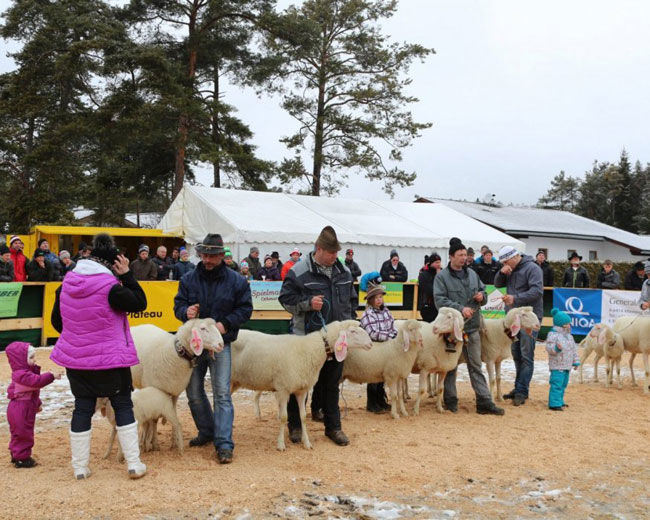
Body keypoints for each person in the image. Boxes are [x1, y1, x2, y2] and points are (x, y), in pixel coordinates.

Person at [50, 233, 148, 480]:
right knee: (123, 404)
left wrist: (80, 337)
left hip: (78, 361)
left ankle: (80, 468)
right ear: (112, 263)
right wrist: (127, 275)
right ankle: (134, 464)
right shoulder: (111, 288)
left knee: (82, 408)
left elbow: (56, 322)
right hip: (110, 360)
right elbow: (139, 303)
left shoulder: (65, 285)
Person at [173, 233, 252, 464]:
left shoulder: (236, 281)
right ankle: (207, 431)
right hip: (194, 345)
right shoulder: (188, 279)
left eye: (212, 256)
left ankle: (224, 443)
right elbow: (178, 305)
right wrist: (184, 312)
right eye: (204, 255)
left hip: (220, 344)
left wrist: (224, 324)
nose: (207, 260)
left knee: (222, 394)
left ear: (221, 256)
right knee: (194, 393)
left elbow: (245, 309)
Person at [279, 225, 358, 446]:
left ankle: (333, 427)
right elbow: (285, 299)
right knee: (298, 384)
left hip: (335, 340)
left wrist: (348, 324)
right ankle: (295, 425)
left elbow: (352, 300)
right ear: (319, 249)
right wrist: (307, 304)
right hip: (306, 340)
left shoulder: (344, 272)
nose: (335, 256)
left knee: (331, 383)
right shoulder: (299, 271)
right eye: (332, 252)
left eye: (337, 252)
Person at [433, 237, 504, 415]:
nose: (464, 257)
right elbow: (440, 300)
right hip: (451, 331)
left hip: (472, 327)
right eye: (460, 255)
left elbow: (483, 291)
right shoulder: (441, 277)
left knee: (475, 366)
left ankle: (484, 401)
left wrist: (482, 296)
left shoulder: (473, 274)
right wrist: (460, 309)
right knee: (450, 366)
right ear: (451, 256)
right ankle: (450, 400)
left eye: (465, 254)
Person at [494, 245, 544, 406]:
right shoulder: (510, 269)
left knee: (526, 355)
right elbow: (497, 284)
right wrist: (501, 273)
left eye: (506, 261)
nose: (505, 265)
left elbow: (537, 291)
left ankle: (522, 390)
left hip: (529, 319)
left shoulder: (533, 269)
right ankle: (519, 387)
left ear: (515, 257)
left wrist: (515, 298)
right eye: (503, 263)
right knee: (516, 354)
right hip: (514, 319)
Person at [6, 342, 62, 468]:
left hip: (22, 406)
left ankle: (16, 454)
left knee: (18, 432)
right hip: (21, 409)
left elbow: (32, 392)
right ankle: (22, 458)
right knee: (24, 432)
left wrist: (37, 403)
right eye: (31, 357)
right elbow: (37, 382)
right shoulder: (21, 375)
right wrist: (51, 376)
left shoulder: (24, 373)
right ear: (20, 360)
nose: (35, 360)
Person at [359, 275, 395, 414]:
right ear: (371, 300)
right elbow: (372, 333)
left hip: (386, 349)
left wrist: (392, 335)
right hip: (373, 349)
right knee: (373, 376)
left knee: (382, 377)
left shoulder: (386, 312)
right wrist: (390, 336)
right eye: (377, 297)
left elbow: (393, 327)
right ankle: (372, 404)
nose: (379, 300)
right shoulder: (367, 314)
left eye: (381, 297)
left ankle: (381, 401)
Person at [545, 308, 580, 411]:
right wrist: (556, 349)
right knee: (556, 383)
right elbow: (549, 348)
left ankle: (560, 401)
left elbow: (574, 350)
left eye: (569, 323)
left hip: (567, 365)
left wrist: (576, 361)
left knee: (563, 384)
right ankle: (554, 403)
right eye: (567, 323)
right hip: (557, 365)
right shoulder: (552, 335)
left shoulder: (569, 336)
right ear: (560, 324)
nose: (569, 325)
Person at [417, 253, 442, 322]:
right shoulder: (424, 274)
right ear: (431, 263)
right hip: (428, 306)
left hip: (439, 305)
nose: (439, 264)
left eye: (439, 262)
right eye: (436, 262)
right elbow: (430, 290)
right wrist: (438, 277)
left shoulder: (442, 273)